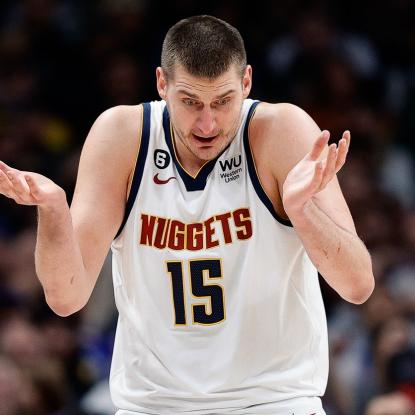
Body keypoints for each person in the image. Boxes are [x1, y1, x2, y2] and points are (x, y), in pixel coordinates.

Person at [0, 15, 374, 415]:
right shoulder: (122, 137)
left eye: (223, 101)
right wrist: (53, 212)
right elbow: (66, 297)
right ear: (162, 84)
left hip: (274, 401)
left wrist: (303, 211)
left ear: (246, 82)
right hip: (153, 405)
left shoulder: (281, 131)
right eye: (190, 102)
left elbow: (358, 285)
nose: (207, 123)